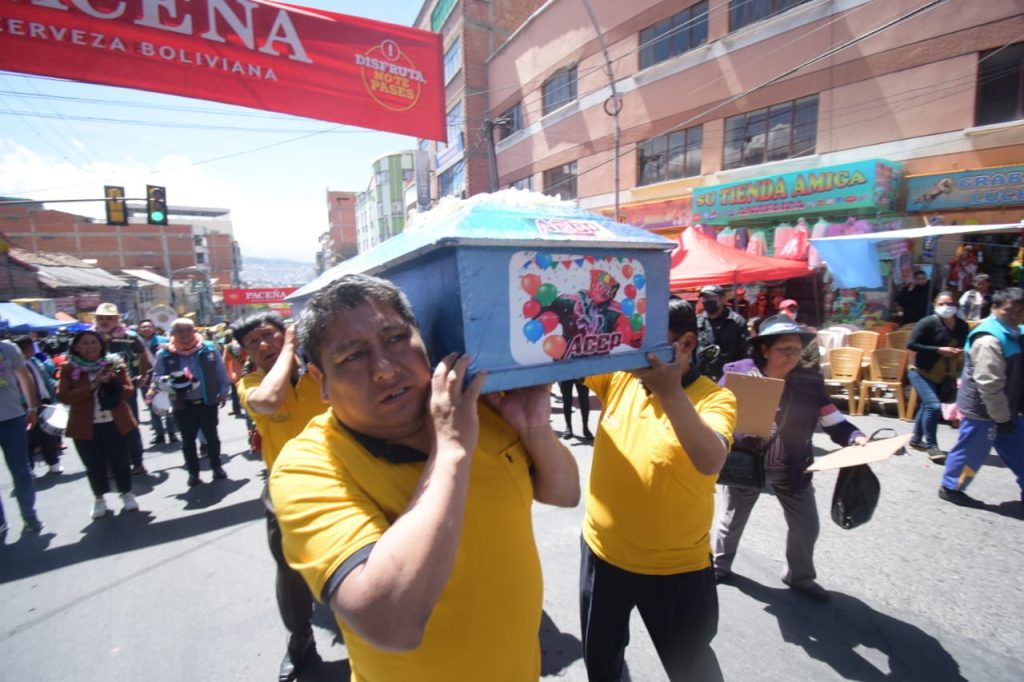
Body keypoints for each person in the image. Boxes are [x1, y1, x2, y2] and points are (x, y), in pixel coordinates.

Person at [269, 274, 579, 680]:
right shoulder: (308, 466)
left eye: (396, 338)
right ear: (321, 382)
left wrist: (535, 428)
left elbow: (565, 493)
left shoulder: (476, 407)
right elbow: (390, 621)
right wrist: (450, 450)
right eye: (352, 357)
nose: (384, 369)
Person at [580, 298, 735, 681]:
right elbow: (569, 352)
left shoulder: (715, 397)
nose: (631, 350)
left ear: (684, 343)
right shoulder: (620, 377)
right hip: (603, 555)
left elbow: (710, 459)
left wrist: (668, 391)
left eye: (642, 340)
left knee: (692, 670)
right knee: (601, 663)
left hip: (675, 569)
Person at [713, 314, 867, 602]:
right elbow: (714, 413)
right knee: (731, 520)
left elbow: (833, 421)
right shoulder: (740, 375)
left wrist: (855, 437)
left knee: (807, 525)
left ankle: (799, 576)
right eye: (785, 349)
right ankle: (720, 567)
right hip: (747, 465)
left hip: (793, 467)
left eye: (797, 349)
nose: (793, 355)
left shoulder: (809, 382)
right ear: (764, 350)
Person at [232, 312, 326, 682]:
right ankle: (300, 636)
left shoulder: (320, 372)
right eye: (253, 342)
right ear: (246, 355)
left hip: (344, 474)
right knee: (290, 567)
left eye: (268, 336)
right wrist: (288, 344)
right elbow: (270, 401)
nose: (263, 345)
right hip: (285, 484)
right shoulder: (251, 383)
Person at [939, 287, 1024, 507]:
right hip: (984, 411)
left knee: (1020, 451)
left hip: (1008, 408)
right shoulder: (988, 339)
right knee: (971, 453)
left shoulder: (1015, 331)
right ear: (994, 308)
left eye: (1021, 311)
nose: (1016, 315)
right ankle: (952, 487)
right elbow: (988, 384)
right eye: (1009, 311)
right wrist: (1001, 418)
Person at [57, 330, 140, 519]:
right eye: (84, 343)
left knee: (121, 461)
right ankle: (99, 498)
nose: (90, 346)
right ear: (76, 347)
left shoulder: (115, 364)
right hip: (86, 427)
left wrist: (113, 383)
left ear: (101, 345)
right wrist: (93, 385)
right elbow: (64, 397)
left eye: (94, 342)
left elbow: (128, 391)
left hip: (116, 422)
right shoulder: (68, 368)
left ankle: (126, 493)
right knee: (94, 464)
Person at [152, 318, 231, 487]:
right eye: (179, 331)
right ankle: (193, 473)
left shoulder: (208, 348)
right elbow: (156, 376)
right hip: (182, 404)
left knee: (212, 436)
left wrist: (224, 391)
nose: (184, 334)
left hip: (207, 400)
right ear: (172, 334)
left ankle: (216, 467)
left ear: (194, 331)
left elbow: (220, 370)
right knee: (188, 441)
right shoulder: (164, 354)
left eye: (188, 330)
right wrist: (169, 381)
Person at [907, 291, 969, 462]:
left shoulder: (962, 326)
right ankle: (932, 445)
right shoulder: (927, 323)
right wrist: (938, 350)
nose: (946, 307)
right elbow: (911, 344)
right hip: (920, 371)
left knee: (926, 406)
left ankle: (916, 439)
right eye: (941, 304)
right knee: (933, 406)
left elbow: (966, 345)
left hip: (945, 373)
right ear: (935, 305)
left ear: (956, 306)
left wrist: (959, 352)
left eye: (949, 303)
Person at [93, 303, 150, 474]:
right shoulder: (89, 337)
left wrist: (143, 375)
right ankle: (110, 465)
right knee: (104, 427)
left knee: (130, 424)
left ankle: (137, 462)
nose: (105, 321)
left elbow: (143, 355)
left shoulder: (128, 337)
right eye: (101, 318)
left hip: (125, 386)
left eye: (109, 318)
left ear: (117, 319)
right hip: (98, 388)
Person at [0, 337, 44, 535]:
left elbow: (24, 378)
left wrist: (32, 407)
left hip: (12, 418)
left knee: (21, 471)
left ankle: (29, 515)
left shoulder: (8, 348)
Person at [14, 336, 64, 475]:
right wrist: (29, 401)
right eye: (31, 346)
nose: (33, 348)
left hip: (44, 401)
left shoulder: (35, 360)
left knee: (47, 435)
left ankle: (53, 462)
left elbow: (46, 377)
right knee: (27, 438)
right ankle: (29, 467)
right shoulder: (13, 366)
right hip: (25, 406)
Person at [137, 319, 178, 445]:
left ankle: (172, 432)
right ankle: (159, 433)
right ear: (139, 330)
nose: (146, 329)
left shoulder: (163, 341)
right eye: (143, 327)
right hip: (146, 380)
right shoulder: (136, 343)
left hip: (164, 378)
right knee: (151, 407)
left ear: (154, 328)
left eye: (148, 327)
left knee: (168, 405)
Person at [696, 284, 748, 380]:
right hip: (702, 378)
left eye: (711, 297)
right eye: (704, 298)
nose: (707, 301)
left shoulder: (736, 322)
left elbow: (744, 352)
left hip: (728, 378)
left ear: (723, 299)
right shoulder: (698, 322)